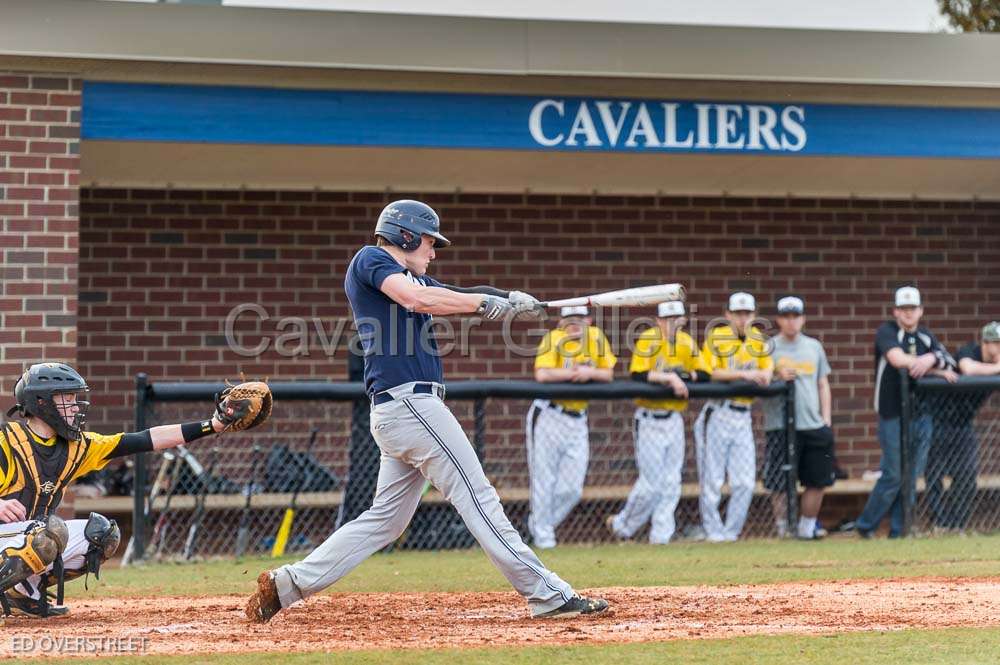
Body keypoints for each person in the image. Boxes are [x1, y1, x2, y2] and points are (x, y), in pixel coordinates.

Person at [246, 200, 609, 623]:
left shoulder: (408, 276)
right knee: (477, 496)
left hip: (403, 411)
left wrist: (506, 299)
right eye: (429, 242)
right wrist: (479, 304)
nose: (433, 251)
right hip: (411, 406)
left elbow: (452, 292)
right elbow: (419, 299)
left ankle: (288, 584)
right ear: (405, 235)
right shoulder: (372, 260)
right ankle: (547, 594)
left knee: (385, 521)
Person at [0, 362, 248, 617]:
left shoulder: (75, 446)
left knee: (101, 534)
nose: (75, 407)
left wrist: (213, 424)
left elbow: (145, 439)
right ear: (41, 402)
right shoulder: (7, 441)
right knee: (47, 532)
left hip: (25, 536)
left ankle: (22, 594)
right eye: (67, 399)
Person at [847, 286, 957, 538]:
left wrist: (932, 361)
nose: (908, 313)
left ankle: (900, 530)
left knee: (911, 476)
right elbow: (898, 360)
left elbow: (949, 360)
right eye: (904, 309)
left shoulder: (926, 336)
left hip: (921, 415)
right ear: (896, 311)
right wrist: (931, 364)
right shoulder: (886, 332)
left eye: (913, 308)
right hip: (891, 413)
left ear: (920, 311)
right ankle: (865, 526)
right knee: (894, 474)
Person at [607, 300, 701, 544]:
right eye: (667, 319)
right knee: (651, 483)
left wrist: (686, 376)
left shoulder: (686, 343)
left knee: (671, 481)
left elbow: (703, 373)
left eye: (676, 319)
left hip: (674, 419)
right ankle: (623, 526)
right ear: (659, 321)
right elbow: (638, 374)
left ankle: (661, 536)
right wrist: (670, 377)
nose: (672, 324)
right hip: (649, 418)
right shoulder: (649, 339)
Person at [526, 306, 616, 549]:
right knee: (544, 480)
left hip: (578, 419)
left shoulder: (596, 338)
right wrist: (571, 373)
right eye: (569, 319)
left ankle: (539, 525)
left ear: (588, 320)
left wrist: (590, 372)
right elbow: (542, 375)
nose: (574, 324)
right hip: (549, 414)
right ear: (561, 322)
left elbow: (608, 374)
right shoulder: (553, 338)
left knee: (572, 489)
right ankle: (544, 538)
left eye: (579, 319)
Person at [694, 292, 773, 542]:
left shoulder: (757, 339)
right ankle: (713, 531)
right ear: (728, 315)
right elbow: (708, 372)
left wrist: (767, 372)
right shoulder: (717, 337)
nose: (742, 318)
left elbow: (767, 364)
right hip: (719, 412)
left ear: (753, 315)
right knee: (713, 479)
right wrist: (745, 376)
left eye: (747, 313)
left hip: (743, 416)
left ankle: (731, 533)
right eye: (737, 314)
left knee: (744, 482)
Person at [761, 296, 834, 540]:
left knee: (817, 479)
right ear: (779, 319)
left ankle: (806, 527)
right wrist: (775, 373)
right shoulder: (768, 347)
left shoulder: (814, 346)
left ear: (803, 319)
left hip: (812, 424)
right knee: (779, 482)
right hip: (780, 425)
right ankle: (783, 528)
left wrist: (826, 418)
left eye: (796, 316)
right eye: (786, 316)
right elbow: (759, 378)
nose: (791, 321)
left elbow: (823, 383)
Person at [925, 321, 1000, 532]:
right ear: (985, 343)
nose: (999, 348)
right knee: (935, 474)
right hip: (938, 419)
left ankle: (958, 525)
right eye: (996, 343)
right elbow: (968, 368)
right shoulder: (970, 350)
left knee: (967, 474)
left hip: (963, 424)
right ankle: (940, 523)